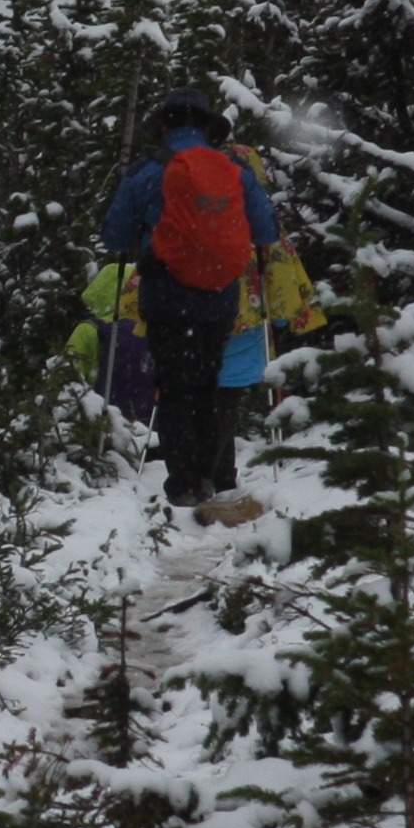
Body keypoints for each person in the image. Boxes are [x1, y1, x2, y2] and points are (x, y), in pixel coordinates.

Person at [101, 88, 279, 519]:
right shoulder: (234, 169)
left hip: (166, 292)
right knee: (208, 381)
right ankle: (212, 477)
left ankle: (184, 486)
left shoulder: (148, 170)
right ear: (206, 126)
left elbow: (115, 237)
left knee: (175, 385)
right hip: (219, 293)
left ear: (165, 125)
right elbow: (266, 230)